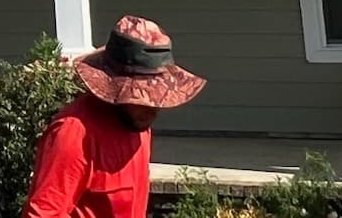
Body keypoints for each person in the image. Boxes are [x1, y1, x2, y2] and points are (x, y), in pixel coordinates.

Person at [23, 17, 206, 218]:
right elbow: (44, 214)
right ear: (115, 87)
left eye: (156, 98)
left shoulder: (140, 124)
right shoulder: (74, 133)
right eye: (142, 97)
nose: (153, 107)